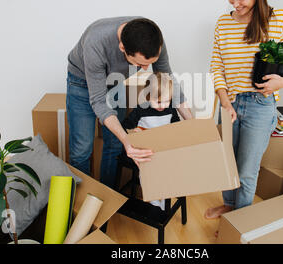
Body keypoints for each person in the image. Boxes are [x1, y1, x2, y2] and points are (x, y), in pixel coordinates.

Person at [205, 0, 283, 221]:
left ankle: (239, 221)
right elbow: (217, 65)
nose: (235, 3)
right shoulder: (223, 23)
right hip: (230, 103)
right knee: (227, 162)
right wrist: (225, 103)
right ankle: (228, 206)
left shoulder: (278, 19)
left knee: (246, 170)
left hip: (260, 105)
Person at [66, 17, 192, 189]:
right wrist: (128, 140)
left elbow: (168, 80)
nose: (146, 69)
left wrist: (192, 124)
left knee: (115, 143)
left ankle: (108, 196)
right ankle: (81, 203)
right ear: (122, 48)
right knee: (81, 150)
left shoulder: (153, 39)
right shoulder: (96, 43)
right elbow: (99, 102)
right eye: (140, 64)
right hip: (82, 82)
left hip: (115, 82)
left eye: (151, 64)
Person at [121, 72, 180, 210]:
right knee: (146, 169)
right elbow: (125, 125)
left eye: (167, 100)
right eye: (158, 101)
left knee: (169, 168)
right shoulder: (141, 109)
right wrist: (134, 131)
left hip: (164, 148)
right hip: (146, 150)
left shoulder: (170, 109)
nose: (163, 105)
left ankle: (165, 196)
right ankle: (152, 197)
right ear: (148, 97)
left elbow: (177, 125)